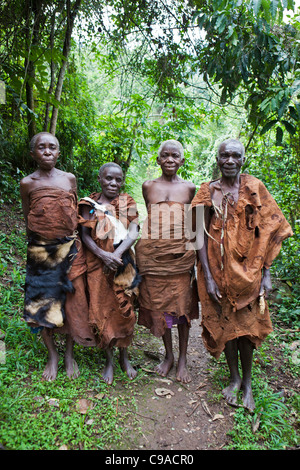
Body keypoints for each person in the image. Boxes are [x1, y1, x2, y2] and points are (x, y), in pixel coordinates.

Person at [191, 138, 293, 411]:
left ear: (243, 159)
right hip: (216, 270)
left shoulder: (254, 188)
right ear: (217, 159)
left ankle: (247, 382)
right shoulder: (207, 191)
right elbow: (198, 235)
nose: (230, 161)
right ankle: (234, 378)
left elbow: (272, 227)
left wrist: (267, 272)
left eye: (235, 156)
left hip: (249, 273)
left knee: (247, 328)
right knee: (226, 325)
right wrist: (209, 277)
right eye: (225, 155)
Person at [20, 132, 95, 382]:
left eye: (52, 147)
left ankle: (69, 354)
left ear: (59, 153)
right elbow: (28, 216)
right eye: (42, 148)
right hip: (41, 250)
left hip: (70, 249)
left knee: (71, 302)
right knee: (44, 303)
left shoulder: (69, 179)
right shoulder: (27, 183)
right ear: (33, 154)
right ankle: (52, 354)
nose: (48, 152)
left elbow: (72, 212)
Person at [136, 140, 199, 383]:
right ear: (158, 160)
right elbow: (152, 219)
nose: (170, 159)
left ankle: (183, 358)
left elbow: (195, 223)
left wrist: (193, 257)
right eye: (165, 155)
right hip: (153, 258)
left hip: (180, 259)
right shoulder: (148, 186)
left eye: (175, 155)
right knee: (160, 306)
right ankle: (169, 355)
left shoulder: (191, 188)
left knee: (182, 309)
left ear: (182, 160)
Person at [78, 162, 140, 385]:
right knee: (103, 310)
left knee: (127, 308)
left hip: (124, 262)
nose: (113, 183)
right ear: (100, 179)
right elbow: (84, 235)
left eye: (118, 179)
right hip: (98, 265)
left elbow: (134, 230)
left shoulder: (127, 202)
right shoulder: (89, 204)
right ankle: (109, 361)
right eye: (109, 179)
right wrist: (103, 256)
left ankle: (125, 358)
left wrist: (118, 254)